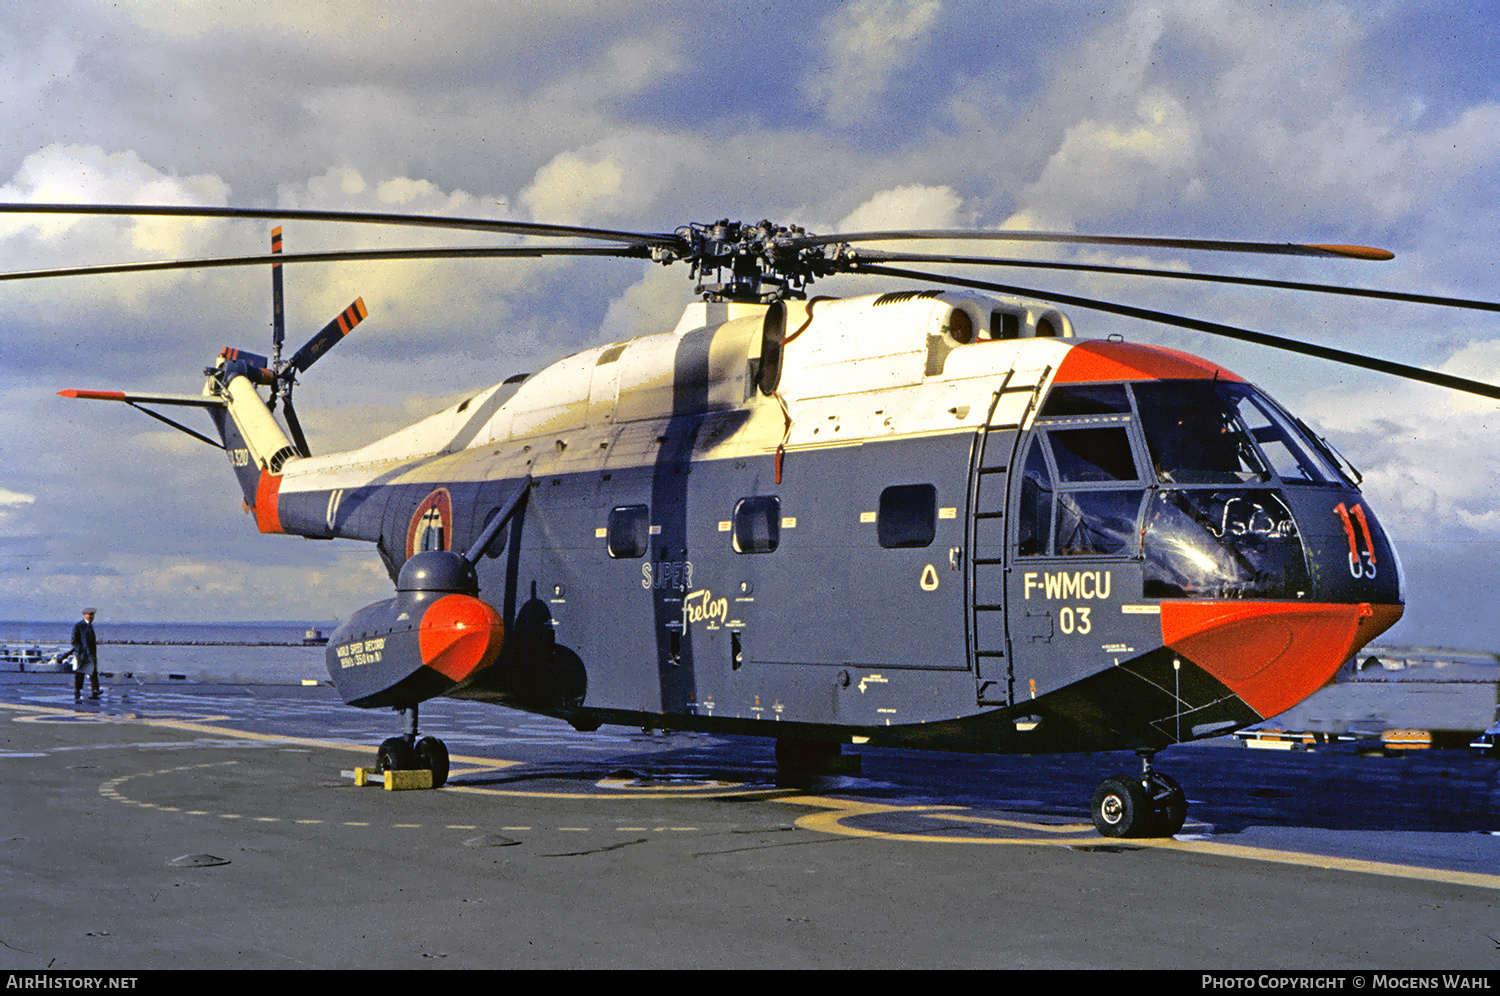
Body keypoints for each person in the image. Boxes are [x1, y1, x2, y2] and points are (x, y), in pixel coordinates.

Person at [69, 608, 100, 701]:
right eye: (89, 615)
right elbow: (74, 641)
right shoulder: (79, 626)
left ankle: (95, 690)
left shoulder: (90, 626)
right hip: (82, 654)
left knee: (93, 672)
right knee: (80, 672)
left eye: (92, 615)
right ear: (84, 615)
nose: (91, 617)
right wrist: (80, 651)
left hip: (91, 654)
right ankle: (77, 690)